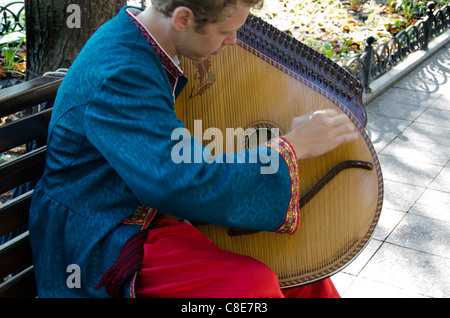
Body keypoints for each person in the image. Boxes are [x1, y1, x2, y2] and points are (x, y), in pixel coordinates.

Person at [29, 0, 358, 298]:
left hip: (143, 210)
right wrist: (292, 146)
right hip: (102, 232)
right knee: (250, 287)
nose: (233, 41)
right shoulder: (122, 71)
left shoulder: (142, 37)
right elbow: (179, 180)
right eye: (225, 32)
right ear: (183, 18)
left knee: (306, 273)